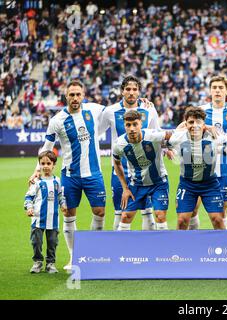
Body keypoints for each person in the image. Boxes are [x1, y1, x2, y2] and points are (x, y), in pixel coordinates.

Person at [29, 80, 106, 273]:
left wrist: (142, 104)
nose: (75, 98)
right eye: (71, 94)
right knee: (69, 214)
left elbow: (116, 110)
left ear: (83, 94)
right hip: (70, 175)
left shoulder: (94, 110)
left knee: (100, 212)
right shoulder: (57, 120)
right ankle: (75, 256)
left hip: (94, 174)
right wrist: (36, 169)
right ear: (66, 96)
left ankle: (94, 253)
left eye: (78, 94)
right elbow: (46, 147)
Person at [100, 75, 162, 230]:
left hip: (144, 170)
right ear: (122, 91)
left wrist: (167, 149)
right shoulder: (110, 111)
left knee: (147, 211)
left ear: (139, 92)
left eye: (135, 89)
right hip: (120, 169)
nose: (131, 92)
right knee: (120, 212)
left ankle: (148, 250)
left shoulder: (149, 109)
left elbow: (157, 132)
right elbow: (96, 132)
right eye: (128, 89)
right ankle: (117, 248)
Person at [191, 75, 227, 230]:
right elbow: (185, 126)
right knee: (193, 207)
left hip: (224, 164)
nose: (217, 91)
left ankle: (223, 239)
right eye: (214, 88)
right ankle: (191, 238)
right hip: (200, 164)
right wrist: (205, 128)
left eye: (221, 88)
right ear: (210, 90)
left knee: (222, 206)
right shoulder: (201, 110)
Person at [169, 107, 227, 230]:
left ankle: (224, 244)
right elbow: (161, 142)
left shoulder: (214, 135)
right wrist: (168, 149)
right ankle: (180, 248)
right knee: (182, 220)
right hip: (187, 184)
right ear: (186, 124)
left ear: (204, 124)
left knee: (218, 219)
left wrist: (208, 127)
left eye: (198, 122)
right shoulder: (178, 137)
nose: (194, 125)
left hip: (210, 184)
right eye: (191, 122)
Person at [113, 110, 172, 231]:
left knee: (160, 216)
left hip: (158, 183)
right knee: (125, 216)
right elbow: (116, 163)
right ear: (124, 126)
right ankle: (120, 248)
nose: (132, 128)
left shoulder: (152, 135)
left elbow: (171, 135)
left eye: (135, 124)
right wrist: (125, 188)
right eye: (128, 125)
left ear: (141, 124)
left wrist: (169, 147)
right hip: (137, 184)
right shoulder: (119, 144)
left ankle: (165, 247)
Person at [24, 151, 67, 274]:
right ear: (39, 165)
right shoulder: (36, 181)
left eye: (49, 163)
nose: (46, 166)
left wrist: (63, 206)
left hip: (53, 219)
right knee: (36, 242)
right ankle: (37, 262)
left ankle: (50, 263)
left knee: (52, 242)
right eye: (43, 163)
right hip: (37, 219)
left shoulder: (57, 181)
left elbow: (60, 196)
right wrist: (29, 208)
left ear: (54, 165)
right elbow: (28, 197)